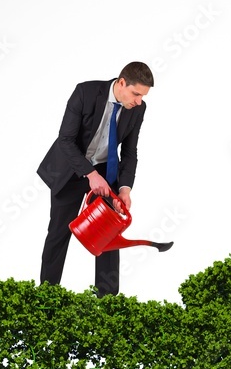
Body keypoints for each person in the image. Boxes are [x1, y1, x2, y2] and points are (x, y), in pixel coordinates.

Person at [37, 62, 153, 296]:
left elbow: (130, 152)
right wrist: (90, 175)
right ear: (122, 83)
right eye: (136, 94)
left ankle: (107, 303)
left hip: (106, 170)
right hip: (71, 167)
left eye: (143, 96)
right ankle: (47, 297)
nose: (139, 101)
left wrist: (125, 188)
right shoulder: (85, 92)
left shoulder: (138, 109)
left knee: (109, 236)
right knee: (60, 232)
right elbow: (65, 140)